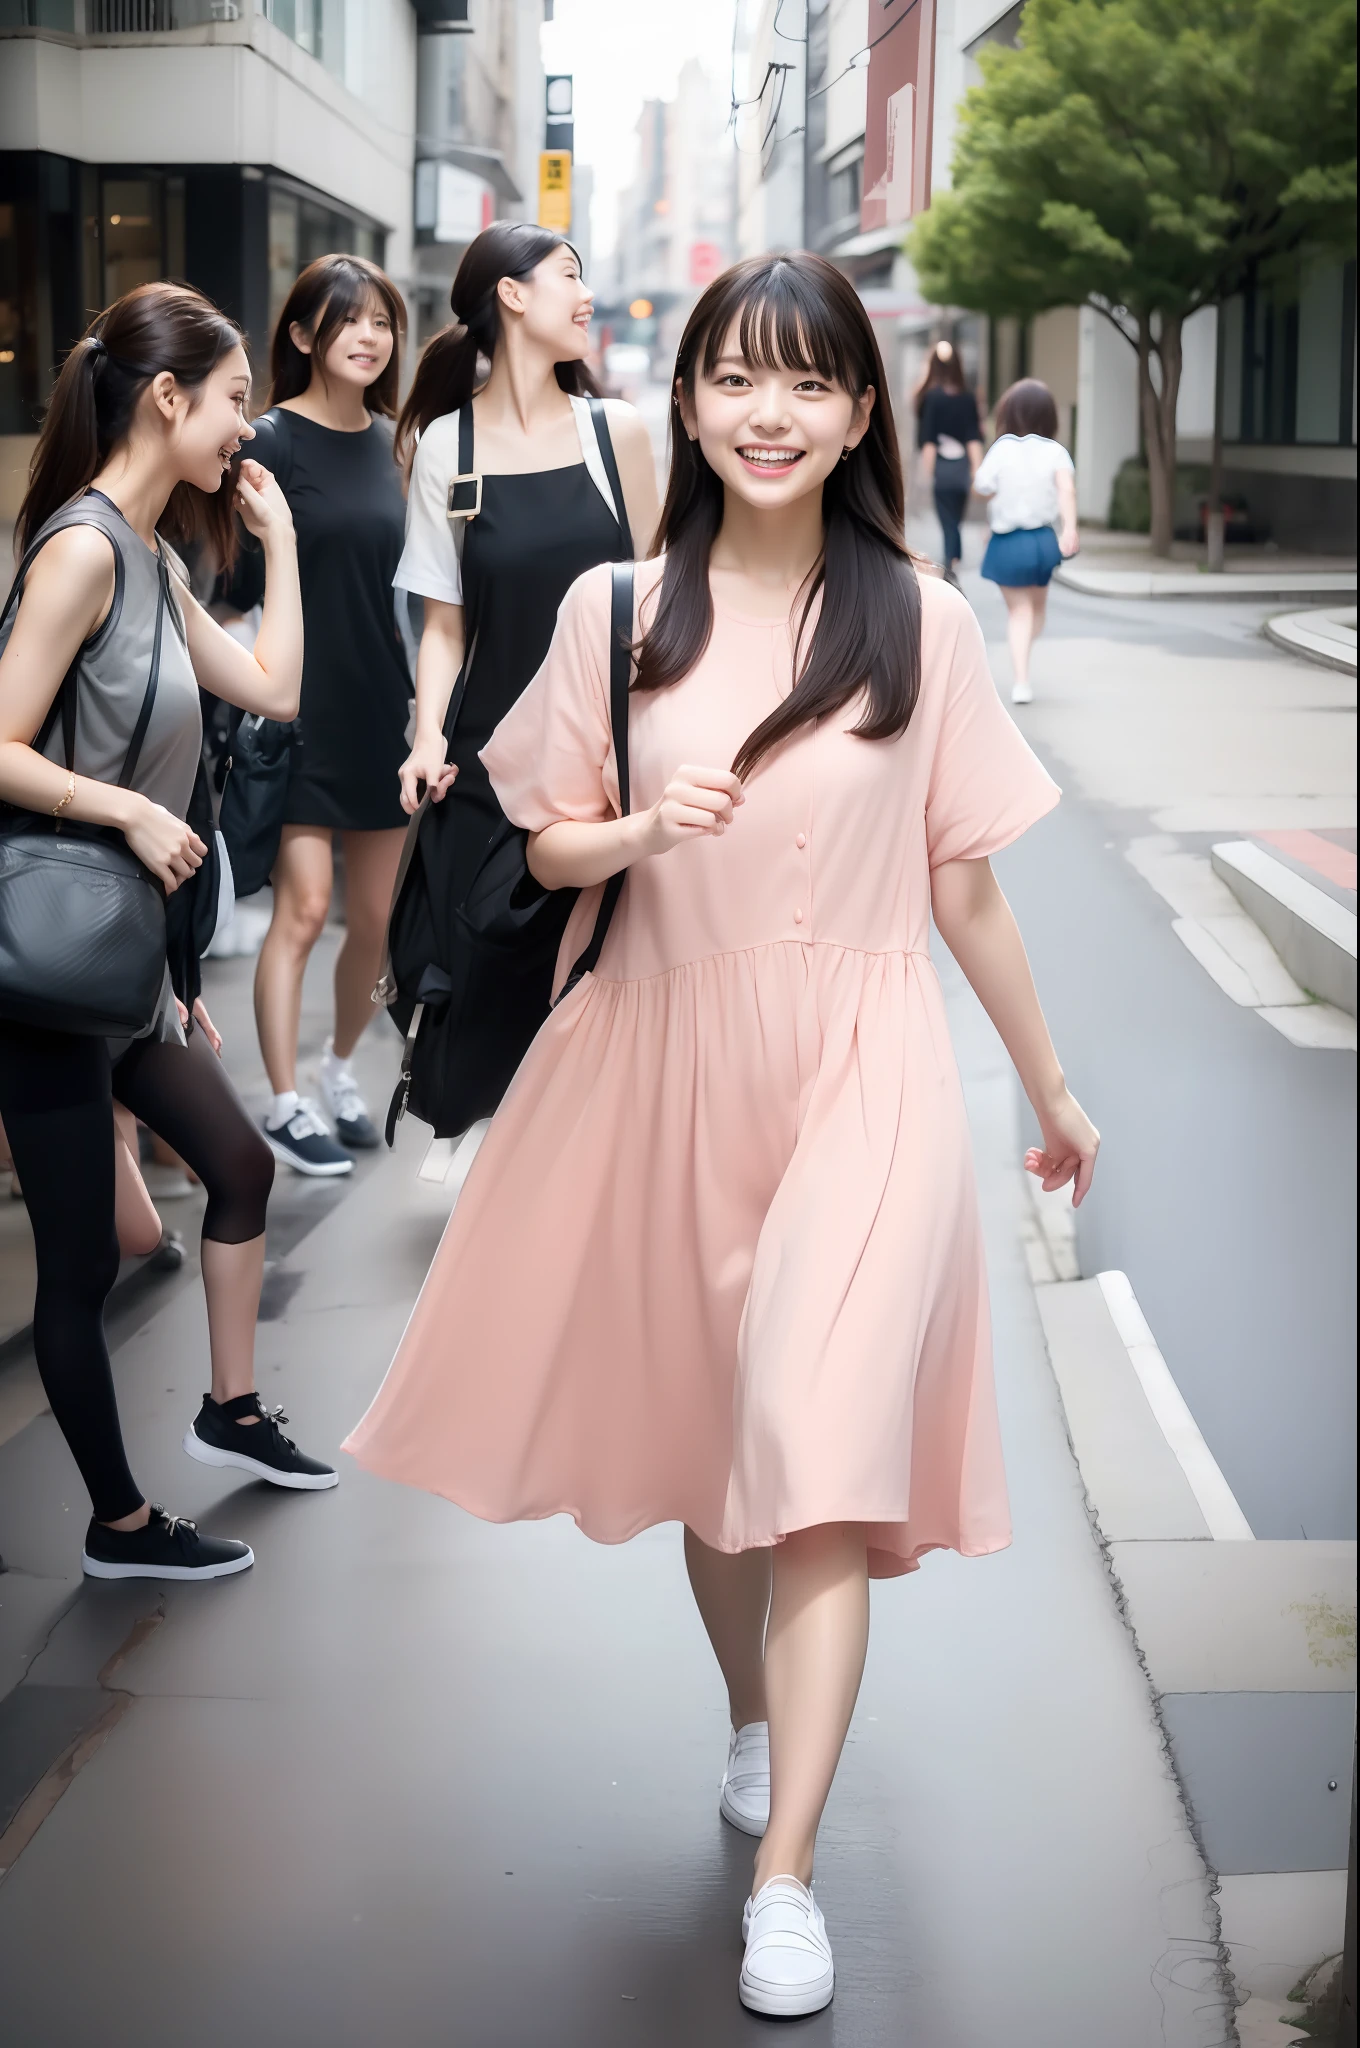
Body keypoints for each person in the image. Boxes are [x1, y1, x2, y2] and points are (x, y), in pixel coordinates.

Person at [343, 253, 1099, 2016]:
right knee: (725, 1457)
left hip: (868, 1067)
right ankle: (753, 1719)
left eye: (810, 383)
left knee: (819, 1449)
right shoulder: (619, 609)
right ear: (684, 405)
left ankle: (786, 1877)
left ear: (861, 412)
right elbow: (540, 848)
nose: (772, 414)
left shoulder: (924, 618)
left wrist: (1053, 1089)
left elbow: (966, 889)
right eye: (736, 382)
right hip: (673, 1067)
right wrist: (642, 833)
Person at [0, 282, 338, 1585]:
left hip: (125, 968)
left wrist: (286, 542)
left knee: (236, 1171)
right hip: (42, 965)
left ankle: (230, 1408)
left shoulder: (155, 558)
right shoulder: (84, 549)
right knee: (85, 1259)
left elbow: (277, 687)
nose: (246, 427)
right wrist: (129, 810)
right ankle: (119, 1526)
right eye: (238, 399)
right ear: (165, 398)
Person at [392, 218, 659, 924]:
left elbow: (663, 599)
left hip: (609, 766)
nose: (587, 295)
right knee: (481, 1002)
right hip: (484, 769)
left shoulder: (615, 433)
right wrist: (427, 743)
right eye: (569, 275)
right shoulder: (446, 446)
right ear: (511, 294)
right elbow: (443, 629)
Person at [240, 254, 411, 1175]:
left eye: (382, 320)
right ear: (304, 335)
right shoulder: (269, 440)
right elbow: (231, 578)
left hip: (381, 705)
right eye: (349, 320)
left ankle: (340, 1069)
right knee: (305, 910)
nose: (370, 336)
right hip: (298, 708)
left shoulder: (395, 441)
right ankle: (284, 1103)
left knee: (376, 920)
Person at [972, 377, 1079, 705]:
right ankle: (1023, 652)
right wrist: (1071, 529)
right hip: (1043, 542)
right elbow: (1066, 490)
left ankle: (1021, 680)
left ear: (1010, 413)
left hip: (1008, 543)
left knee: (1018, 612)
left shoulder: (1002, 449)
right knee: (1037, 609)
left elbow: (982, 488)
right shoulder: (1056, 452)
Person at [914, 339, 982, 581]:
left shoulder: (931, 398)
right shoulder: (967, 398)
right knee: (956, 519)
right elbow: (973, 437)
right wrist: (976, 471)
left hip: (942, 469)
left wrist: (925, 475)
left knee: (948, 521)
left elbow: (929, 442)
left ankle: (951, 561)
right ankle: (955, 558)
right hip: (962, 468)